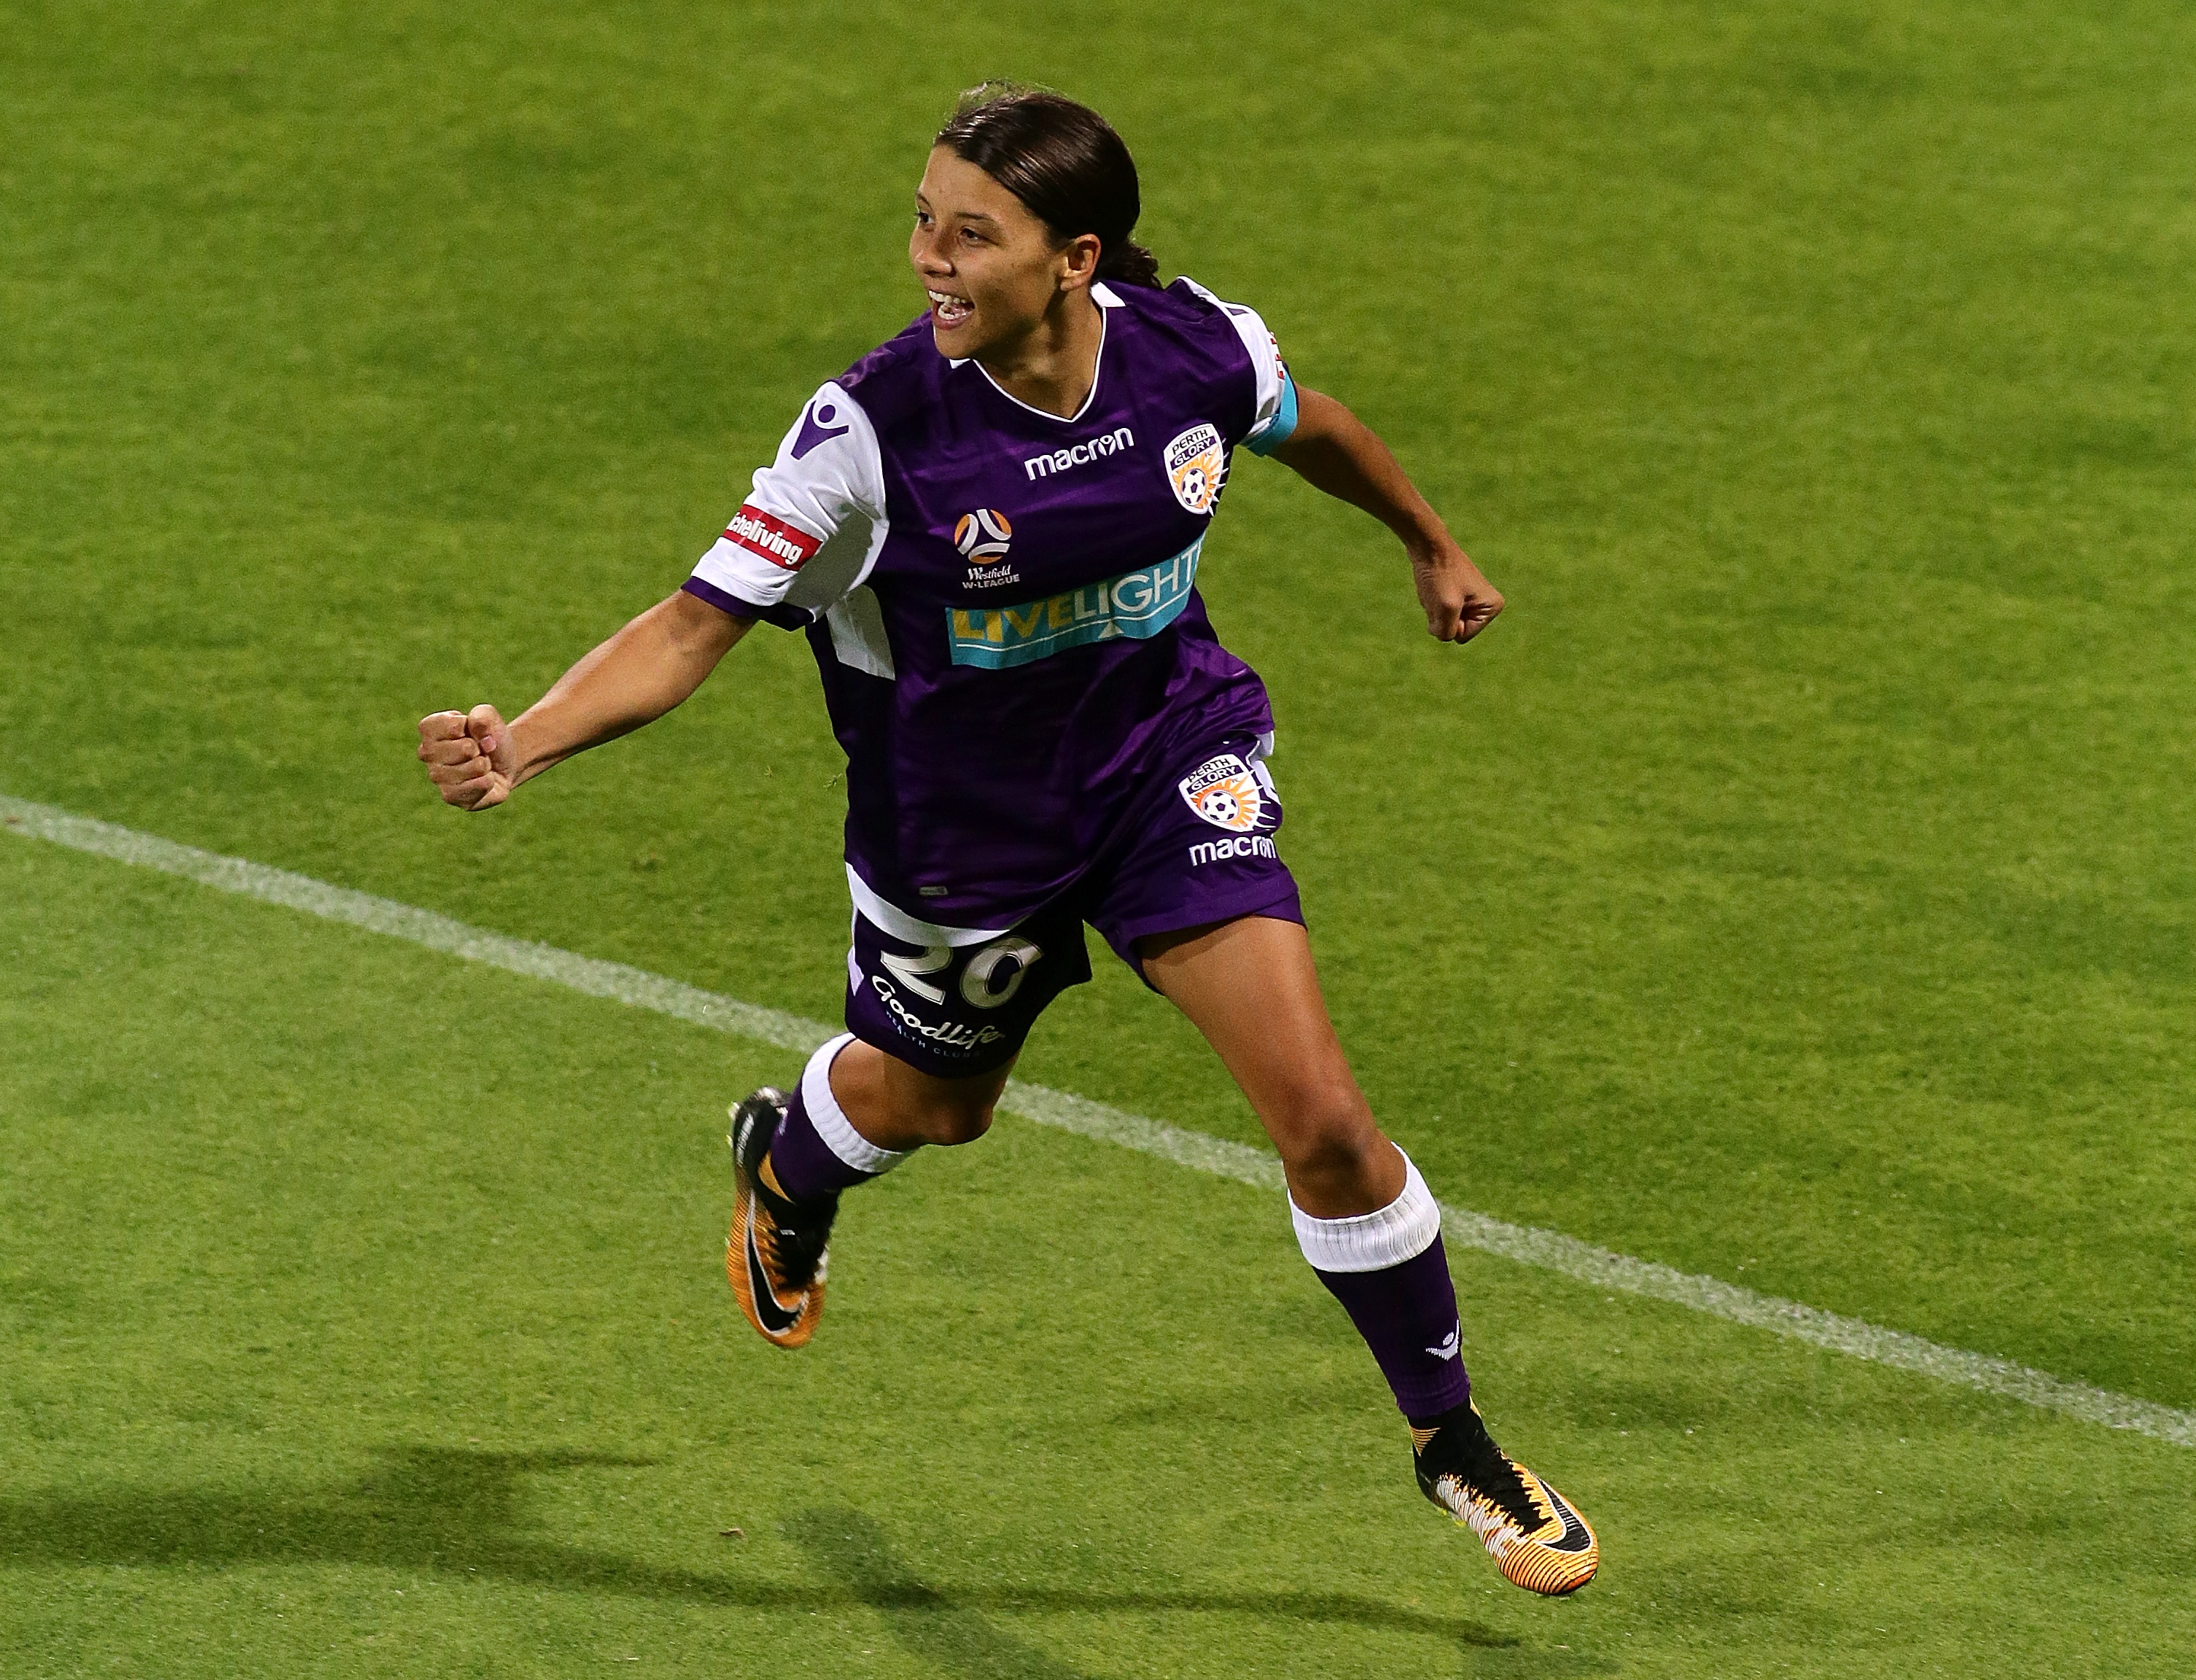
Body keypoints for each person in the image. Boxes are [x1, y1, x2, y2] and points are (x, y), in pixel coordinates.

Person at [416, 83, 1597, 1597]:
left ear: (1075, 257)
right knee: (934, 1110)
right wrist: (528, 738)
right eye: (924, 220)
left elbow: (1311, 423)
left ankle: (1453, 1443)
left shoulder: (1192, 351)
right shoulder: (869, 437)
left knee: (1324, 1119)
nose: (930, 258)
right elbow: (695, 624)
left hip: (1168, 771)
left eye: (971, 234)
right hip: (960, 838)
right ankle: (794, 1167)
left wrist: (1431, 541)